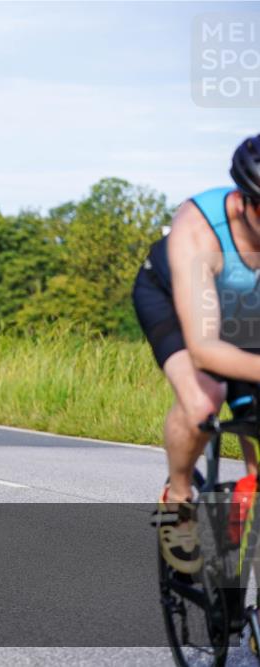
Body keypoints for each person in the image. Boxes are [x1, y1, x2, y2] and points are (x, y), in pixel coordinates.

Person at [133, 134, 260, 574]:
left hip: (246, 314)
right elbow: (204, 350)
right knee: (203, 399)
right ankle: (179, 498)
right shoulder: (200, 228)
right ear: (242, 202)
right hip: (172, 299)